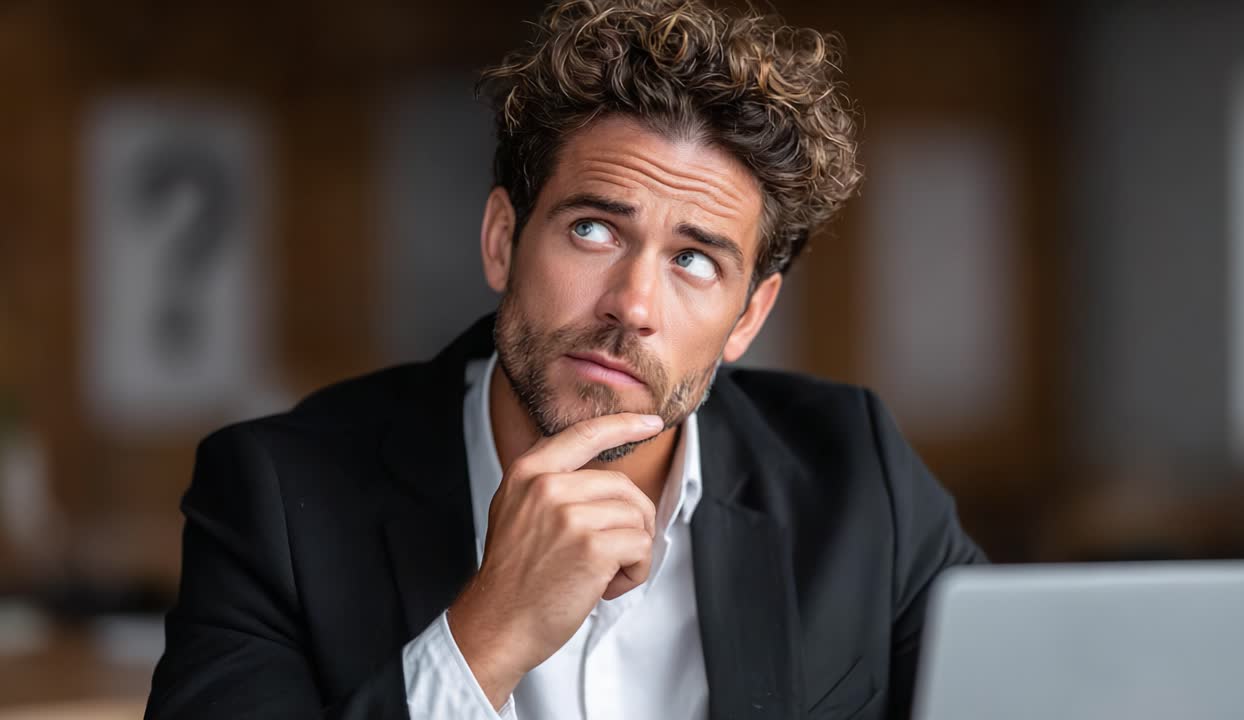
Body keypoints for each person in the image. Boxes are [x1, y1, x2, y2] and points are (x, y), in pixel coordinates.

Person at [144, 1, 985, 718]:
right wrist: (483, 639)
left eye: (695, 259)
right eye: (594, 229)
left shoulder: (859, 479)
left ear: (748, 317)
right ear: (504, 241)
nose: (633, 305)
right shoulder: (277, 500)